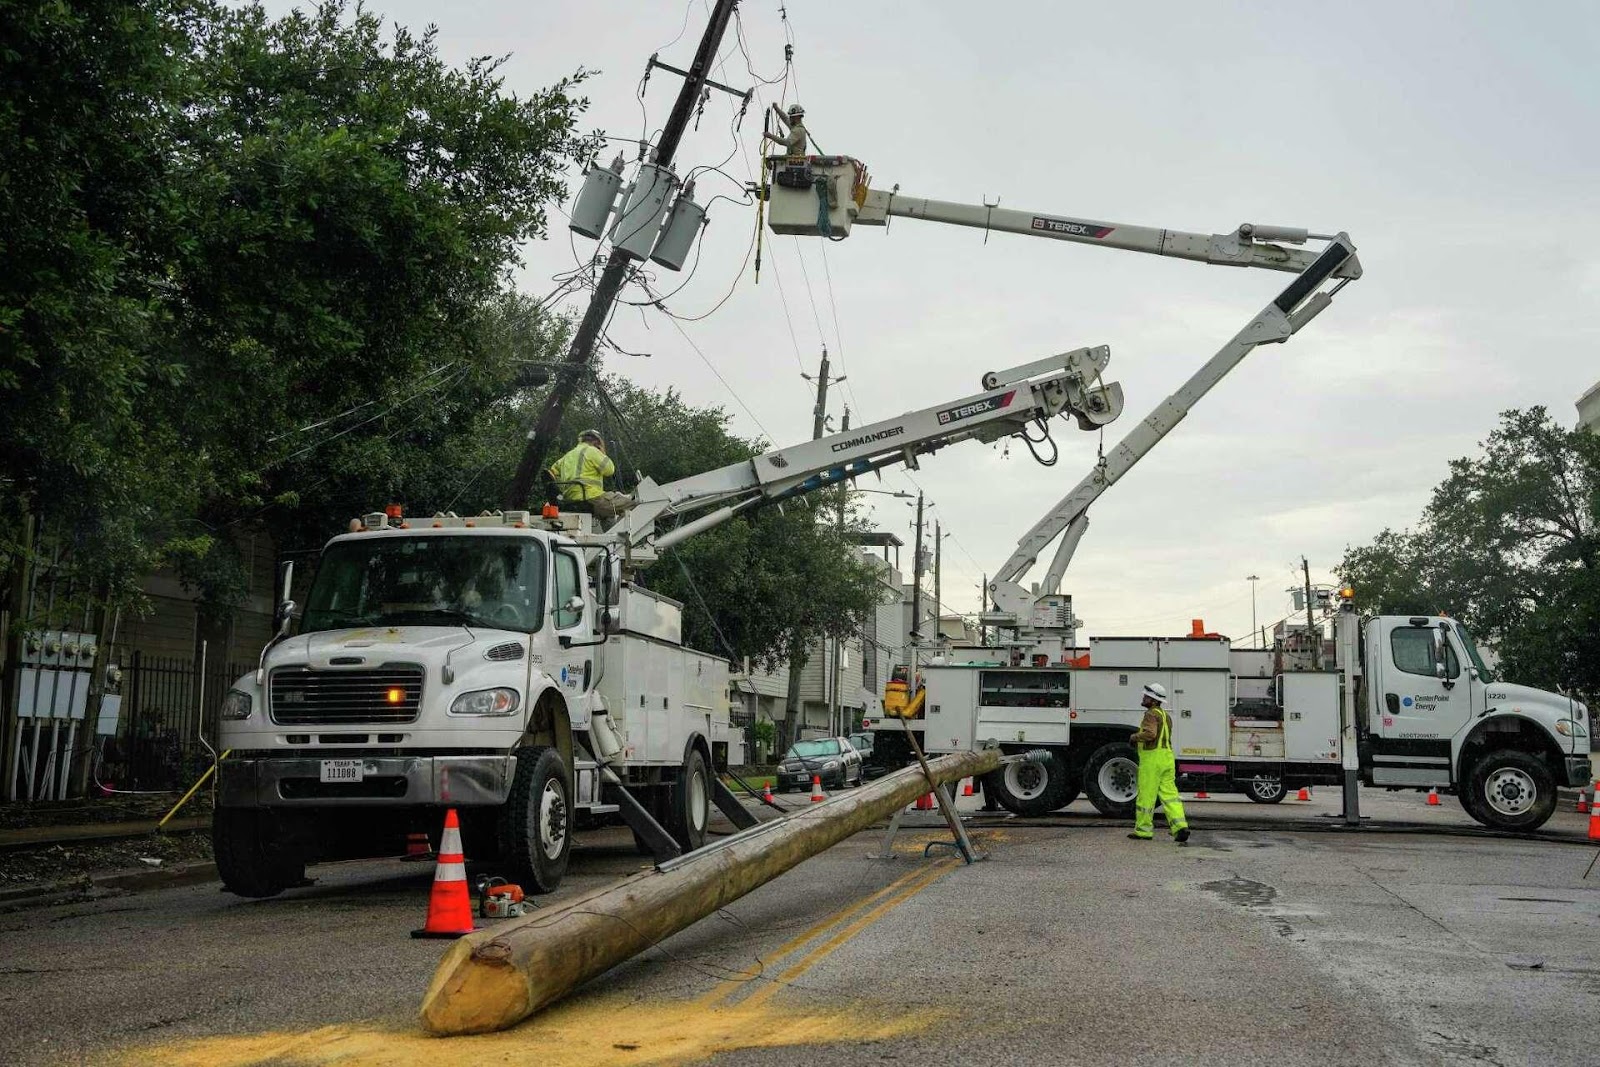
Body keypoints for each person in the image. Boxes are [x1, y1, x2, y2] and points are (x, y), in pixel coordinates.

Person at [1128, 682, 1190, 844]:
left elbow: (1150, 734)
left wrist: (1134, 737)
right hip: (1167, 758)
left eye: (1147, 696)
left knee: (1146, 797)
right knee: (1170, 796)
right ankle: (1180, 827)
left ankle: (1143, 830)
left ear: (1154, 701)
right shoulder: (1165, 716)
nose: (1143, 698)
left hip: (1152, 759)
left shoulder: (1150, 714)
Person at [546, 430, 631, 521]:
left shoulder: (567, 456)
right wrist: (602, 452)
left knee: (607, 517)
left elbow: (551, 472)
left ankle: (608, 533)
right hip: (592, 498)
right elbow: (610, 470)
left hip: (570, 500)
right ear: (596, 442)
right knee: (633, 505)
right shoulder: (592, 451)